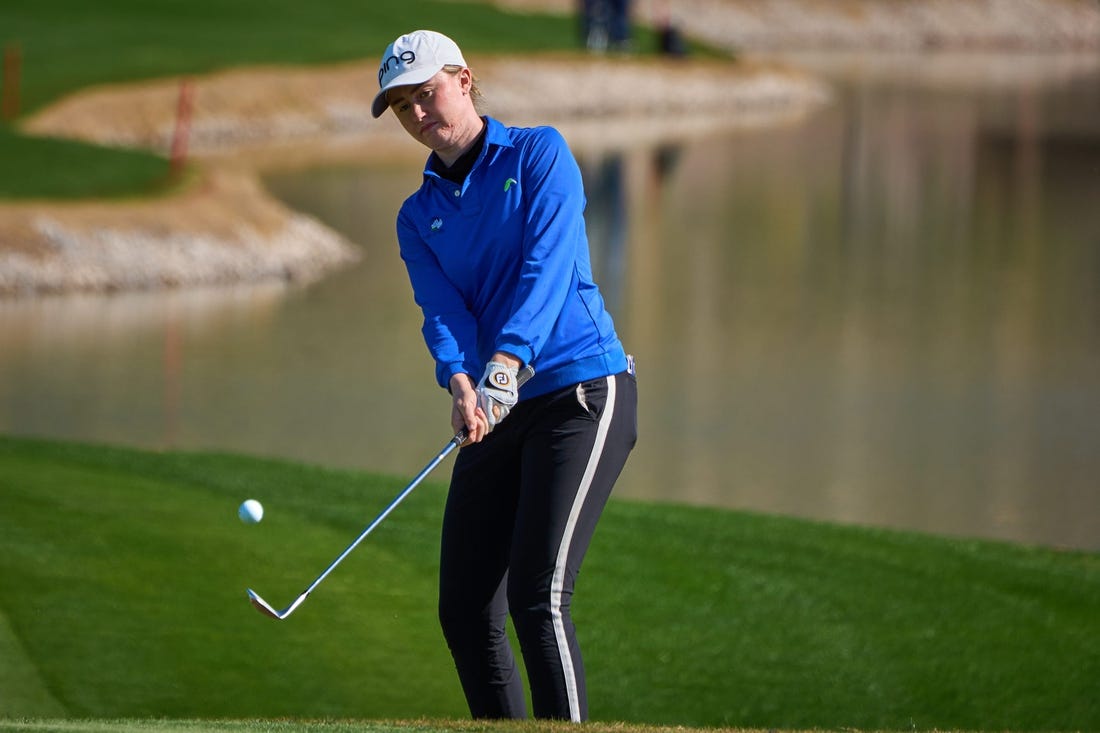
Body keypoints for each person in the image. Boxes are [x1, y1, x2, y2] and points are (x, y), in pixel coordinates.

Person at [370, 30, 638, 723]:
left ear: (464, 79)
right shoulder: (416, 215)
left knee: (537, 596)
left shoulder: (541, 153)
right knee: (463, 609)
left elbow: (546, 269)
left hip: (580, 392)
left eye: (425, 94)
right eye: (402, 107)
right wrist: (460, 380)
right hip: (495, 405)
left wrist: (506, 361)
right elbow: (443, 311)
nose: (418, 115)